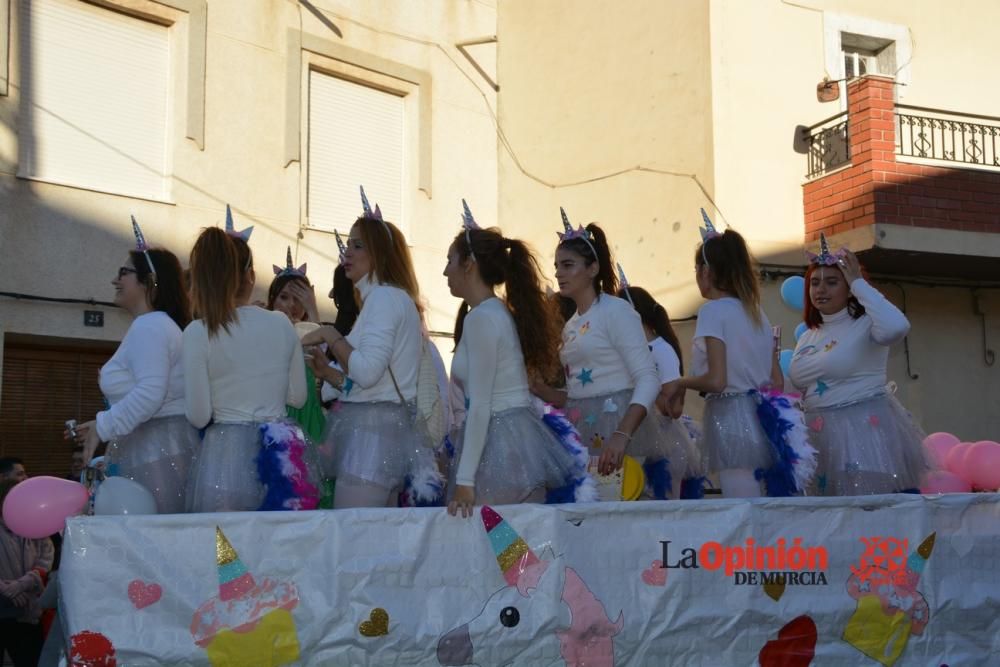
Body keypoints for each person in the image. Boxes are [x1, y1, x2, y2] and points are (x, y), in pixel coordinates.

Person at [443, 203, 591, 517]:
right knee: (521, 559)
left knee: (502, 553)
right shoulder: (495, 312)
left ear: (469, 264)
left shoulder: (482, 318)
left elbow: (481, 403)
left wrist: (465, 480)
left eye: (450, 261)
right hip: (515, 445)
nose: (445, 271)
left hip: (499, 450)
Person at [302, 187, 441, 509]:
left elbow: (366, 372)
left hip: (372, 438)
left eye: (357, 245)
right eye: (348, 244)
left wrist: (328, 333)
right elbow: (372, 378)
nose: (346, 253)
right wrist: (328, 370)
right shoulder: (390, 298)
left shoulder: (383, 298)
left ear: (379, 254)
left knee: (355, 542)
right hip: (384, 433)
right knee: (376, 546)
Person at [663, 212, 804, 498]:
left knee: (742, 507)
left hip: (731, 416)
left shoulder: (713, 312)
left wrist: (680, 382)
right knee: (764, 505)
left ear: (706, 272)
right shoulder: (757, 314)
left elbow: (716, 380)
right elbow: (776, 381)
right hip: (763, 415)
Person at [69, 218, 197, 514]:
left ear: (148, 281)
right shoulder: (157, 325)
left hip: (155, 449)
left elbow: (151, 392)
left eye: (123, 272)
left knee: (149, 543)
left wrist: (103, 426)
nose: (115, 280)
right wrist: (100, 423)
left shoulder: (151, 326)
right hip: (158, 446)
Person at [183, 225, 312, 512]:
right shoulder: (281, 323)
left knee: (227, 551)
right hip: (278, 455)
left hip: (224, 457)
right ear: (251, 276)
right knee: (276, 548)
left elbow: (198, 414)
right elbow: (298, 397)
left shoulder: (198, 331)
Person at [789, 236, 931, 495]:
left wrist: (858, 283)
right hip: (819, 436)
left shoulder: (867, 323)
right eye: (815, 283)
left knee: (868, 517)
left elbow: (898, 327)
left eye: (832, 282)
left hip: (863, 432)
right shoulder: (809, 335)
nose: (821, 290)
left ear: (849, 289)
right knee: (829, 521)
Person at [534, 208, 666, 484]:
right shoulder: (571, 324)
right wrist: (539, 389)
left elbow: (648, 378)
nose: (558, 273)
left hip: (619, 425)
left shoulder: (616, 311)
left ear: (592, 269)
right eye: (557, 265)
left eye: (568, 265)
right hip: (582, 426)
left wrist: (621, 435)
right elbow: (577, 392)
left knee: (622, 516)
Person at [617, 282, 702, 498]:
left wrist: (649, 391)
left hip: (663, 443)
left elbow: (673, 409)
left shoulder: (662, 350)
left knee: (663, 508)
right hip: (636, 439)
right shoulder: (625, 351)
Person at [267, 248, 326, 444]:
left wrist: (312, 308)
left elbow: (319, 354)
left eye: (298, 298)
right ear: (273, 300)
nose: (291, 305)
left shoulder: (309, 330)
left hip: (308, 411)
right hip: (275, 413)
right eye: (284, 297)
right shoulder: (264, 329)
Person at [0, 479, 54, 667]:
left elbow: (45, 559)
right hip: (4, 606)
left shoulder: (35, 527)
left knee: (31, 660)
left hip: (27, 610)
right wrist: (5, 589)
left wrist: (20, 585)